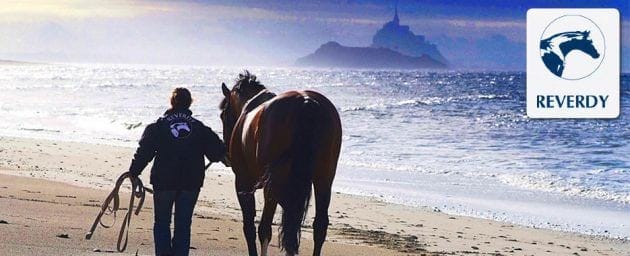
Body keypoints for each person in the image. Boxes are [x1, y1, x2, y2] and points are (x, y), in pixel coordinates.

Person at [128, 87, 226, 256]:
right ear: (190, 103)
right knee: (183, 224)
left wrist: (133, 172)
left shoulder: (158, 126)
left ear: (172, 102)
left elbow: (145, 152)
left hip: (164, 182)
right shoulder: (200, 127)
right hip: (190, 183)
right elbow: (218, 152)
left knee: (162, 223)